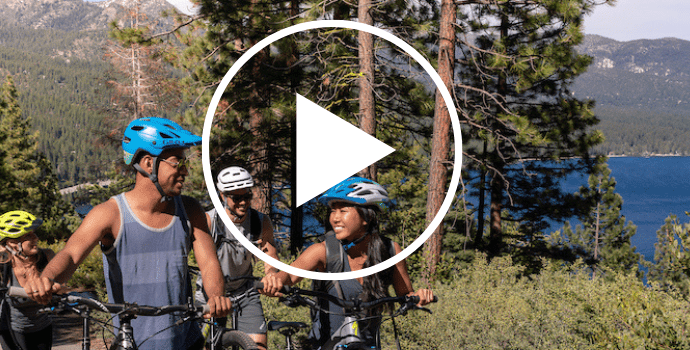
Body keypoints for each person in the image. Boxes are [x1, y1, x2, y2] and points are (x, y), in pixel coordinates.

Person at [26, 117, 230, 350]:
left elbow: (210, 264)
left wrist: (215, 296)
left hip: (186, 341)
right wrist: (47, 278)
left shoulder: (190, 210)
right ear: (147, 163)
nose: (185, 171)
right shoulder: (110, 214)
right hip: (131, 342)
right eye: (177, 163)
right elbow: (71, 254)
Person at [259, 177, 434, 350]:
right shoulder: (324, 251)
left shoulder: (390, 251)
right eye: (332, 211)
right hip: (326, 346)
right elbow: (289, 274)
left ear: (366, 217)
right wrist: (274, 280)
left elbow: (406, 294)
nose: (334, 218)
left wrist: (419, 297)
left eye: (343, 211)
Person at [196, 166, 279, 349]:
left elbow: (270, 255)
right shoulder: (210, 221)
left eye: (247, 196)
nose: (243, 202)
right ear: (222, 196)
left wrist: (271, 274)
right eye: (236, 198)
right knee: (206, 345)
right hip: (210, 294)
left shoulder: (260, 221)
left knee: (258, 346)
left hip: (245, 292)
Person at [0, 210, 56, 350]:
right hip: (9, 328)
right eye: (29, 235)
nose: (36, 238)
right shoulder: (0, 263)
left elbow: (62, 287)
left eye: (34, 233)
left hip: (42, 326)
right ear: (13, 242)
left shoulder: (47, 257)